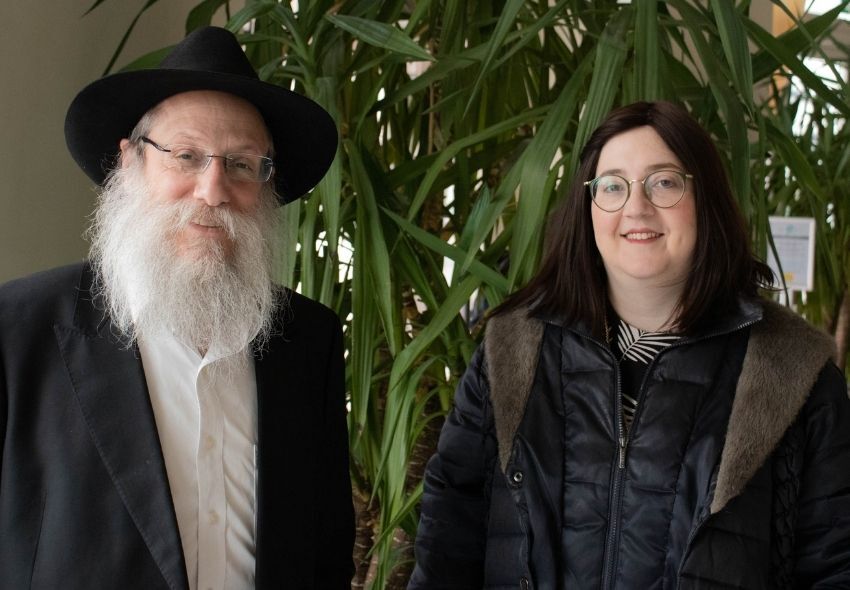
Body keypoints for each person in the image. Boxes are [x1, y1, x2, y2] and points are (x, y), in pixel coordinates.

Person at [409, 101, 850, 588]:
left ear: (706, 199)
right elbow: (447, 538)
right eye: (613, 186)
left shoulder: (790, 370)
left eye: (664, 182)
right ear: (588, 209)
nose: (636, 207)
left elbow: (835, 563)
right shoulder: (513, 350)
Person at [0, 26, 354, 589]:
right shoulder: (17, 328)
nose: (213, 190)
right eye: (186, 156)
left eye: (242, 164)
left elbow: (326, 548)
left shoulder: (309, 337)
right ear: (129, 162)